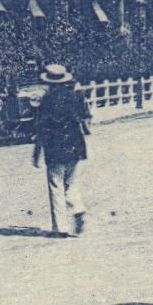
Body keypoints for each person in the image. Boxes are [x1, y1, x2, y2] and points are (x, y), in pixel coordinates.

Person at [31, 64, 90, 238]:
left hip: (55, 147)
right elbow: (85, 118)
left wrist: (37, 153)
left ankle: (60, 228)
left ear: (48, 82)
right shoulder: (75, 97)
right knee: (71, 183)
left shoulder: (46, 101)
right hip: (75, 145)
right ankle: (78, 208)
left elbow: (41, 128)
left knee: (56, 185)